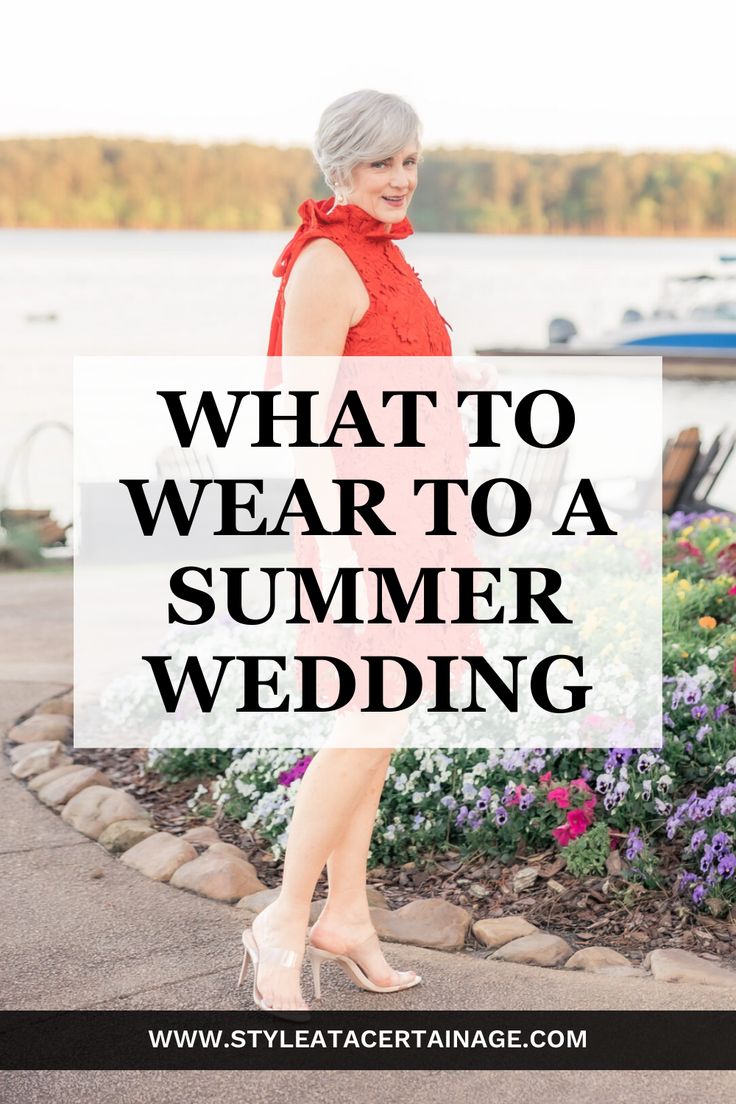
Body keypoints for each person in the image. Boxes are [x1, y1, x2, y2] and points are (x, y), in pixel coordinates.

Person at [239, 89, 462, 1014]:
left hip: (422, 524)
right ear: (340, 168)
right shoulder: (328, 262)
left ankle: (351, 916)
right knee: (364, 729)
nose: (400, 179)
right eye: (380, 164)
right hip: (358, 533)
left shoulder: (389, 261)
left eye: (409, 161)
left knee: (377, 735)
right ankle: (285, 920)